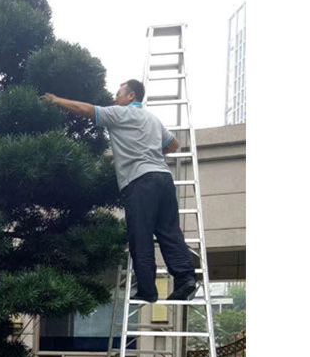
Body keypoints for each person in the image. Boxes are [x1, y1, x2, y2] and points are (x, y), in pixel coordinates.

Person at [40, 81, 197, 303]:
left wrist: (56, 100)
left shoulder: (120, 114)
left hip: (140, 182)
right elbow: (173, 145)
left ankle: (147, 290)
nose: (115, 98)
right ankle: (186, 278)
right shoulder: (153, 119)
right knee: (169, 232)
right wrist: (148, 147)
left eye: (118, 94)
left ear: (131, 96)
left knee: (140, 236)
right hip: (163, 179)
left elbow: (85, 110)